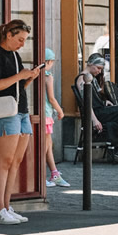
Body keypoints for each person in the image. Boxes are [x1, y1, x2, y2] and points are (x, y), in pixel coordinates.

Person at [0, 19, 43, 225]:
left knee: (16, 161)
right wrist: (20, 76)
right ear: (8, 35)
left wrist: (30, 77)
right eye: (19, 39)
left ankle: (7, 206)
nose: (22, 44)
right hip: (6, 112)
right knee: (5, 160)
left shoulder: (14, 56)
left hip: (21, 110)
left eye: (24, 40)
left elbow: (16, 85)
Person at [42, 48, 70, 187]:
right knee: (46, 147)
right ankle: (49, 175)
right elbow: (52, 98)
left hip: (40, 114)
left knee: (46, 146)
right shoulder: (48, 76)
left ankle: (54, 173)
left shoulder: (36, 75)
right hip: (46, 114)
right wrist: (60, 111)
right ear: (48, 61)